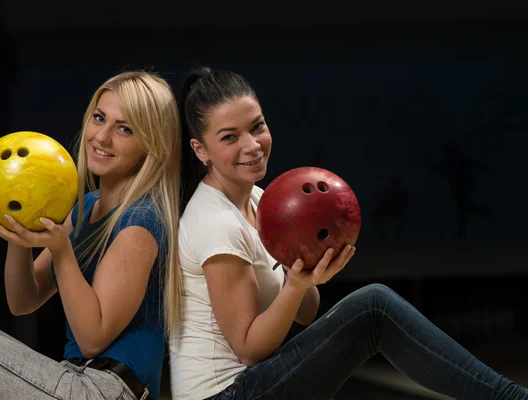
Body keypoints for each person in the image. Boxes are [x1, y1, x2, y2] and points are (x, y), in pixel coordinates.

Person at [168, 66, 528, 400]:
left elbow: (304, 313)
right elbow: (248, 349)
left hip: (253, 382)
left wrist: (305, 278)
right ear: (201, 150)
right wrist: (295, 286)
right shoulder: (213, 222)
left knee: (372, 313)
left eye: (257, 126)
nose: (252, 145)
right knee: (373, 307)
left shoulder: (261, 202)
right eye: (230, 137)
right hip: (224, 394)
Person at [0, 70, 182, 400]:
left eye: (124, 129)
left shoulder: (140, 223)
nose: (101, 137)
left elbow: (93, 339)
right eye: (99, 118)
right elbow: (23, 300)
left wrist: (62, 251)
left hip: (103, 390)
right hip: (74, 379)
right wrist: (20, 230)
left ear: (151, 145)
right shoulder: (85, 207)